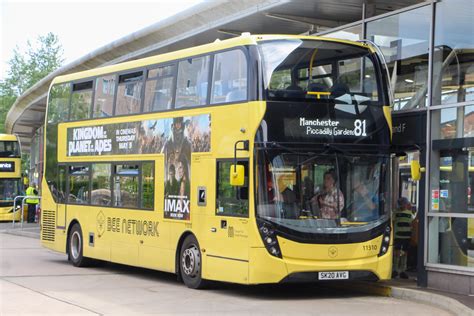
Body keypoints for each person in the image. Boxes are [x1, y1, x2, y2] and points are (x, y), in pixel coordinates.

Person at [392, 197, 414, 279]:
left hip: (406, 236)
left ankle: (402, 270)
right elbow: (393, 223)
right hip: (398, 236)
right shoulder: (395, 213)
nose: (404, 206)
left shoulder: (410, 213)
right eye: (403, 204)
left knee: (405, 252)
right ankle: (396, 270)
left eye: (405, 204)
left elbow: (412, 224)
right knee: (397, 252)